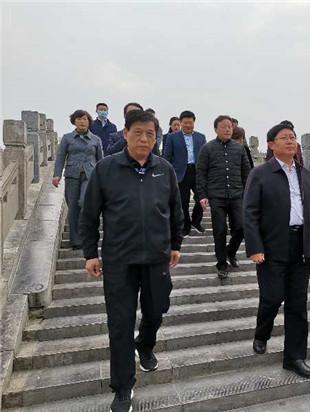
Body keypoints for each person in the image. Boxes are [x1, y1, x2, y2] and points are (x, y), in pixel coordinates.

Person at [79, 110, 184, 412]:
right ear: (125, 134)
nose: (144, 139)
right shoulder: (106, 168)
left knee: (156, 309)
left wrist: (175, 245)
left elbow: (175, 210)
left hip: (156, 257)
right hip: (119, 260)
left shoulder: (164, 169)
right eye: (138, 132)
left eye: (150, 134)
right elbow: (89, 214)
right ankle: (123, 387)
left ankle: (145, 344)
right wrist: (90, 253)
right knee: (120, 324)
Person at [243, 122, 310, 380]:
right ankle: (262, 333)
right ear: (271, 144)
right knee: (272, 297)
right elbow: (250, 213)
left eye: (293, 137)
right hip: (272, 246)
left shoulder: (305, 174)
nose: (290, 141)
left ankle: (294, 357)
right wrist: (255, 247)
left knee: (298, 303)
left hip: (300, 245)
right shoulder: (260, 173)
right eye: (284, 137)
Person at [196, 115, 250, 278]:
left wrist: (248, 192)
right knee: (219, 231)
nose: (227, 129)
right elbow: (201, 173)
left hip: (236, 195)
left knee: (241, 227)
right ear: (215, 129)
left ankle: (230, 252)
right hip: (216, 196)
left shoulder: (239, 148)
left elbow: (246, 172)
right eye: (223, 126)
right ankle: (221, 264)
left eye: (229, 127)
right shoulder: (207, 148)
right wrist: (202, 195)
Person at [53, 109, 103, 250]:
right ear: (74, 122)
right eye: (79, 119)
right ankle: (75, 241)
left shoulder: (96, 139)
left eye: (85, 119)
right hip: (72, 175)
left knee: (83, 201)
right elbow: (61, 157)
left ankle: (87, 234)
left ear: (89, 122)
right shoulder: (67, 138)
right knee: (73, 208)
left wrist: (103, 178)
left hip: (90, 175)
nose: (82, 121)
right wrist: (57, 175)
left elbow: (101, 159)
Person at [163, 110, 207, 237]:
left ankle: (196, 221)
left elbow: (205, 156)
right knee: (183, 201)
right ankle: (185, 226)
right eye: (185, 123)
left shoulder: (201, 137)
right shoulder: (172, 137)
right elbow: (167, 157)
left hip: (197, 171)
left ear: (194, 123)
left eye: (190, 123)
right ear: (181, 123)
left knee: (201, 198)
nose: (188, 125)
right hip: (181, 172)